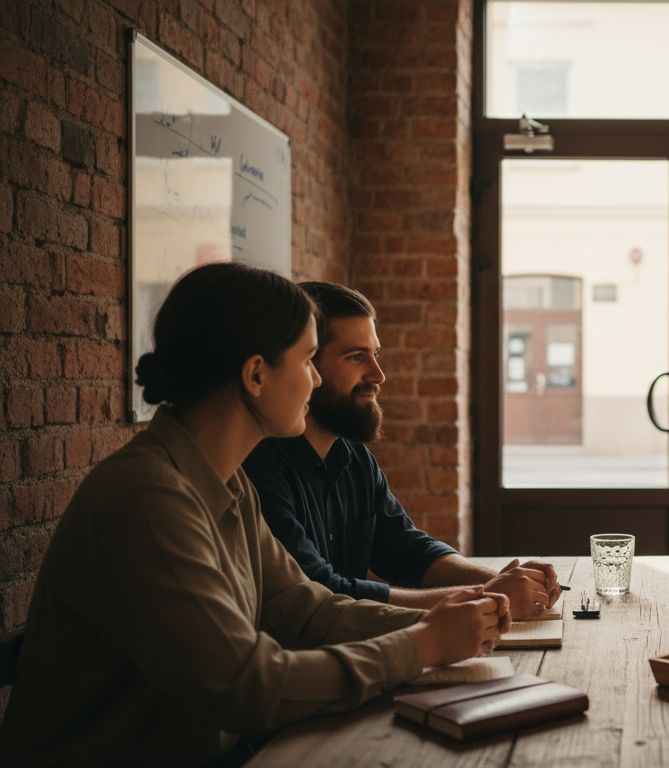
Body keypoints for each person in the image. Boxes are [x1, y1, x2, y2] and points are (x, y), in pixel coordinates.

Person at [0, 263, 509, 766]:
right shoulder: (148, 498)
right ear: (256, 374)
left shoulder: (227, 481)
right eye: (309, 359)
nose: (314, 380)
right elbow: (249, 687)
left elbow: (305, 609)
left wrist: (437, 621)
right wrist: (421, 645)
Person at [243, 282, 560, 617]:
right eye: (356, 357)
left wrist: (507, 581)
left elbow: (406, 549)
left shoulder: (352, 456)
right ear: (309, 365)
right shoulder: (257, 467)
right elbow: (321, 593)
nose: (378, 375)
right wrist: (486, 595)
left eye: (375, 355)